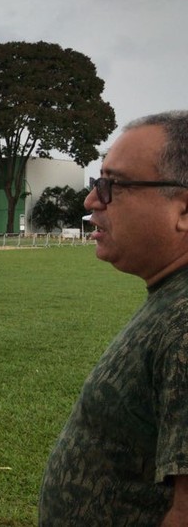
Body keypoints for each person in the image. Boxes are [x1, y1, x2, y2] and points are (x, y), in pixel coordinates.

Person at [39, 110, 188, 525]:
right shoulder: (172, 296)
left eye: (112, 186)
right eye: (95, 183)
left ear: (184, 210)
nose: (91, 201)